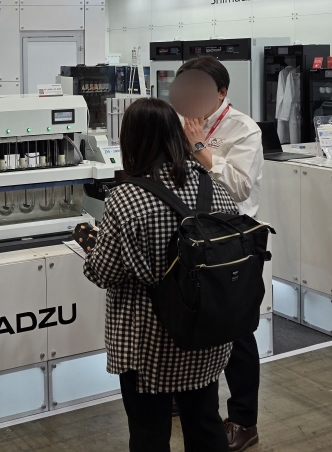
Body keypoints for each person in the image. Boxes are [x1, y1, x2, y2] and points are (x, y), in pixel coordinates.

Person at [80, 97, 237, 452]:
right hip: (205, 334)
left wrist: (92, 250)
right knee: (205, 422)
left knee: (148, 433)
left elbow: (104, 272)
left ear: (130, 141)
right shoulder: (212, 186)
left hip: (149, 341)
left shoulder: (126, 198)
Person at [175, 56, 264, 452]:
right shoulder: (180, 120)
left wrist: (198, 147)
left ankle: (244, 421)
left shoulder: (242, 129)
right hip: (190, 237)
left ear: (221, 92)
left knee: (236, 332)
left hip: (232, 242)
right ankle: (189, 397)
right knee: (192, 320)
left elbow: (241, 188)